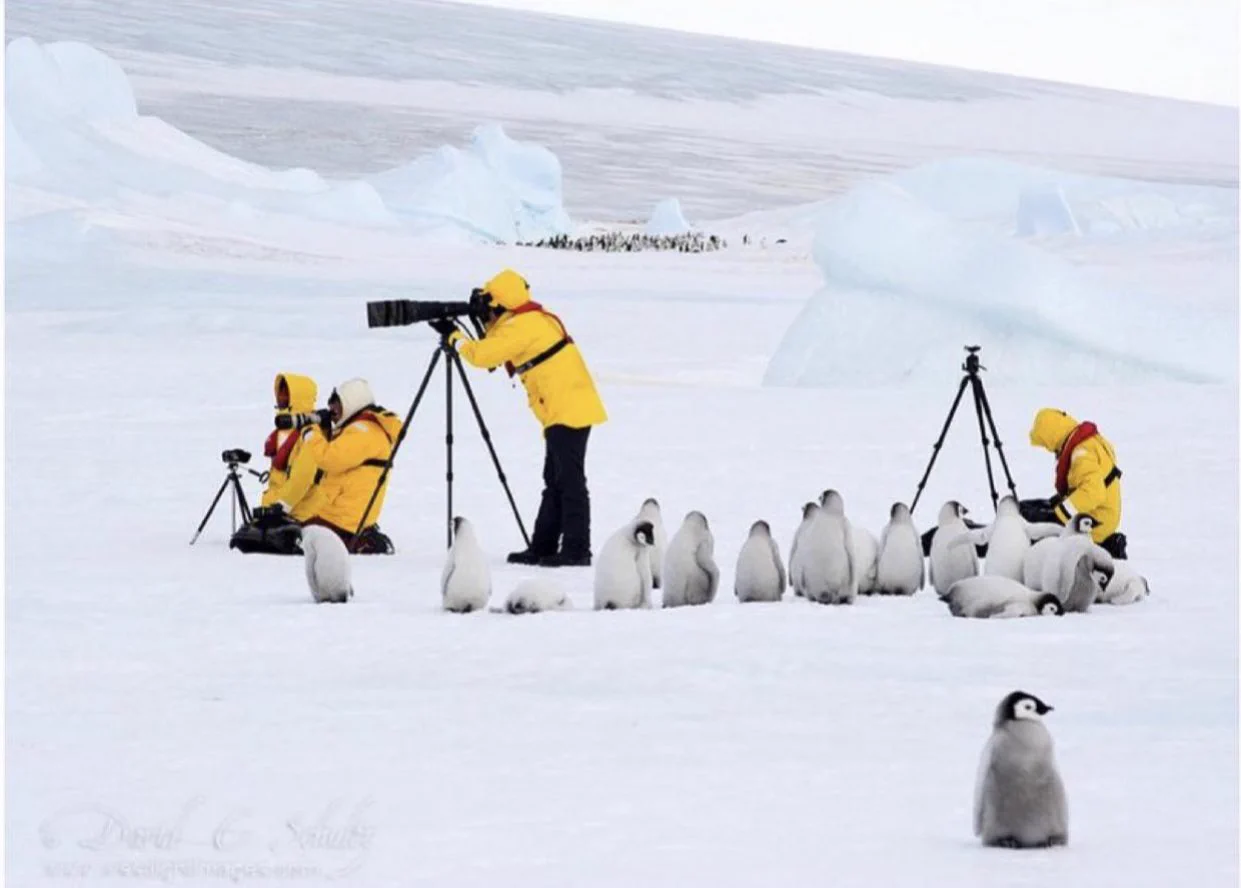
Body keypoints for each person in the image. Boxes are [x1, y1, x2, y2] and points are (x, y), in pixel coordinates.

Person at [434, 269, 607, 567]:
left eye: (487, 308)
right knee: (554, 479)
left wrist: (455, 337)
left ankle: (577, 550)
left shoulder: (520, 326)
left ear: (500, 305)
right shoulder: (529, 319)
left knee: (569, 481)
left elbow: (483, 356)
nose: (485, 314)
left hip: (567, 409)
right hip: (565, 407)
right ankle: (543, 546)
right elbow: (495, 346)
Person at [297, 378, 403, 554]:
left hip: (341, 520)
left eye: (337, 404)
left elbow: (329, 459)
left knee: (293, 540)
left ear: (351, 401)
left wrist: (310, 431)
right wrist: (323, 431)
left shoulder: (363, 431)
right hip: (347, 518)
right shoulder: (363, 430)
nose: (332, 410)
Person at [229, 372, 323, 556]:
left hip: (299, 513)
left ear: (297, 397)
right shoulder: (282, 433)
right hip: (277, 511)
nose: (281, 398)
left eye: (285, 394)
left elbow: (302, 477)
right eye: (279, 394)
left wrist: (281, 507)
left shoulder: (311, 435)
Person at [1019, 407, 1126, 558]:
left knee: (1030, 522)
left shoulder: (1081, 453)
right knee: (1027, 508)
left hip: (1096, 524)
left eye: (1048, 445)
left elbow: (1093, 492)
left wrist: (1059, 514)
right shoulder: (1090, 442)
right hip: (1103, 516)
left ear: (1052, 438)